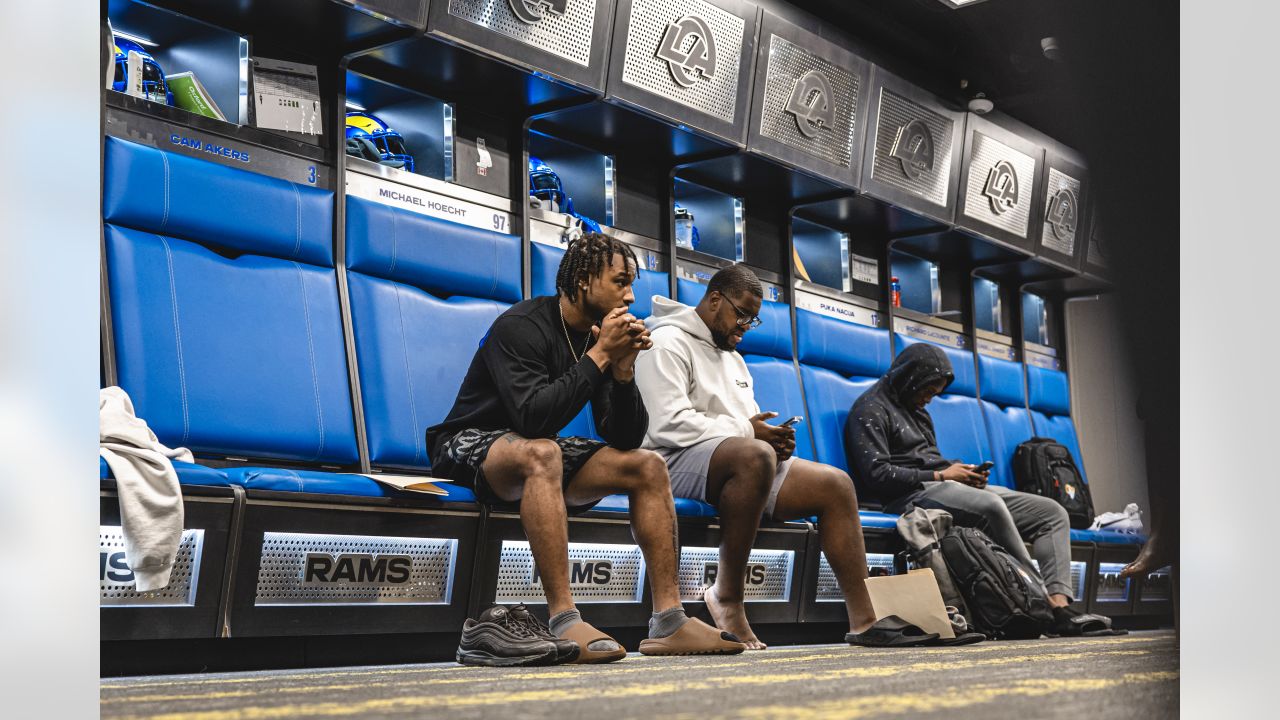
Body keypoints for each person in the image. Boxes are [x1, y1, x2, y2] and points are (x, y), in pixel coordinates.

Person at [428, 233, 745, 666]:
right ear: (582, 279)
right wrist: (599, 356)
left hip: (535, 448)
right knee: (543, 453)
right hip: (466, 442)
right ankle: (563, 619)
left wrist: (623, 372)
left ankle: (669, 621)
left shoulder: (597, 335)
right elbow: (531, 420)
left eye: (631, 283)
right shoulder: (520, 326)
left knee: (647, 465)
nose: (630, 295)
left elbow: (625, 438)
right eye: (619, 282)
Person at [634, 264, 939, 650]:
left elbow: (745, 426)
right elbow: (666, 425)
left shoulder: (733, 357)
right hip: (667, 463)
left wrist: (774, 441)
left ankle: (866, 619)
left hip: (732, 460)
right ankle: (726, 596)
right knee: (754, 455)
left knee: (834, 484)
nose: (745, 325)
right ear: (714, 300)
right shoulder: (665, 342)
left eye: (753, 319)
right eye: (741, 314)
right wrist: (751, 435)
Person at [844, 343, 1121, 637]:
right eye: (926, 390)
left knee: (1051, 513)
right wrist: (940, 474)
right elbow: (877, 475)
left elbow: (928, 457)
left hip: (942, 484)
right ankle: (1043, 606)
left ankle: (1059, 600)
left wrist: (963, 473)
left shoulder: (916, 408)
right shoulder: (870, 409)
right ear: (909, 378)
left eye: (935, 393)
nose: (929, 399)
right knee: (990, 506)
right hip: (907, 496)